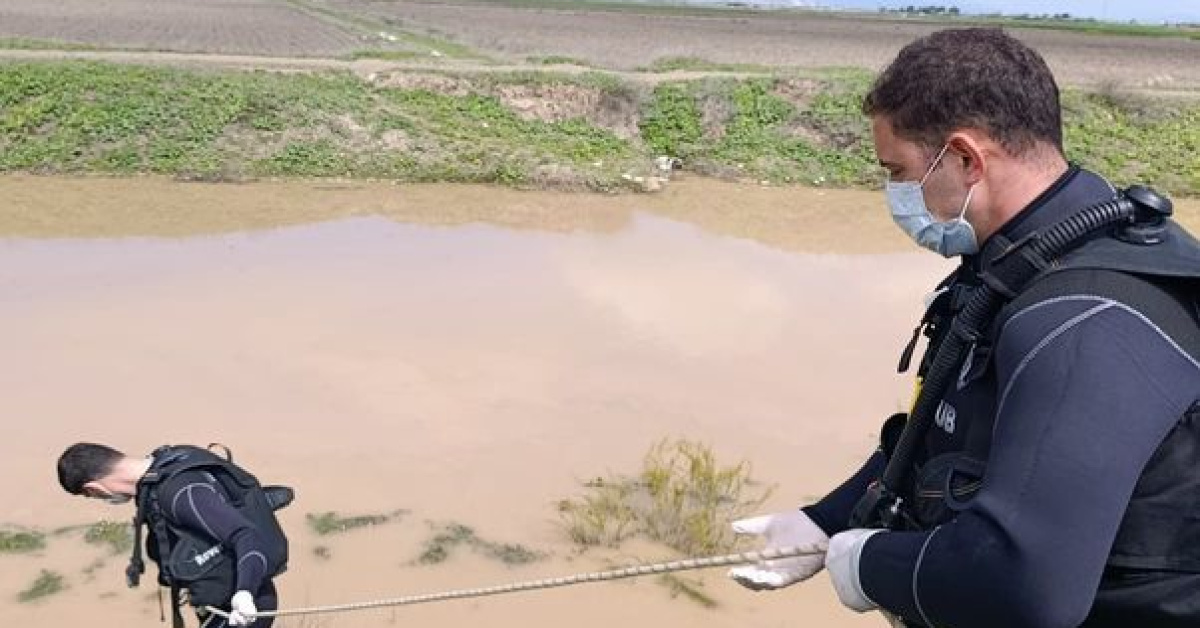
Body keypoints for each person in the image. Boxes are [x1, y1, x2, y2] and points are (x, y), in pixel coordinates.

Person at [730, 28, 1200, 628]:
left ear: (966, 158)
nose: (896, 194)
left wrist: (869, 563)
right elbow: (944, 431)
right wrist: (829, 520)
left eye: (897, 171)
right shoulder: (1016, 262)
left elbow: (1025, 583)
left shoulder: (1087, 317)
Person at [57, 443, 291, 628]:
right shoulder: (164, 466)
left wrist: (244, 594)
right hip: (220, 601)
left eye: (92, 496)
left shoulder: (179, 493)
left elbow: (245, 535)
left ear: (94, 488)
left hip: (242, 610)